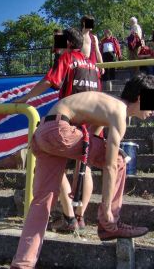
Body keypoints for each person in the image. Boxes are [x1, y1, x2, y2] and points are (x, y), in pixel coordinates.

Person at [10, 73, 153, 269]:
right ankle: (109, 223)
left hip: (43, 132)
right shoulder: (119, 113)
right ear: (140, 97)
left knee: (42, 202)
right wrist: (106, 208)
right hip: (60, 131)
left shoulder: (106, 104)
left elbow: (91, 145)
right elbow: (110, 165)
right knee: (119, 160)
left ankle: (22, 263)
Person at [14, 28, 102, 233]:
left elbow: (49, 80)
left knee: (55, 163)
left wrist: (25, 99)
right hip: (89, 121)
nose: (57, 45)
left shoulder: (68, 58)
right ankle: (79, 217)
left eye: (60, 41)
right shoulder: (93, 65)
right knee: (85, 166)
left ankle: (69, 216)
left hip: (68, 121)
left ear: (69, 43)